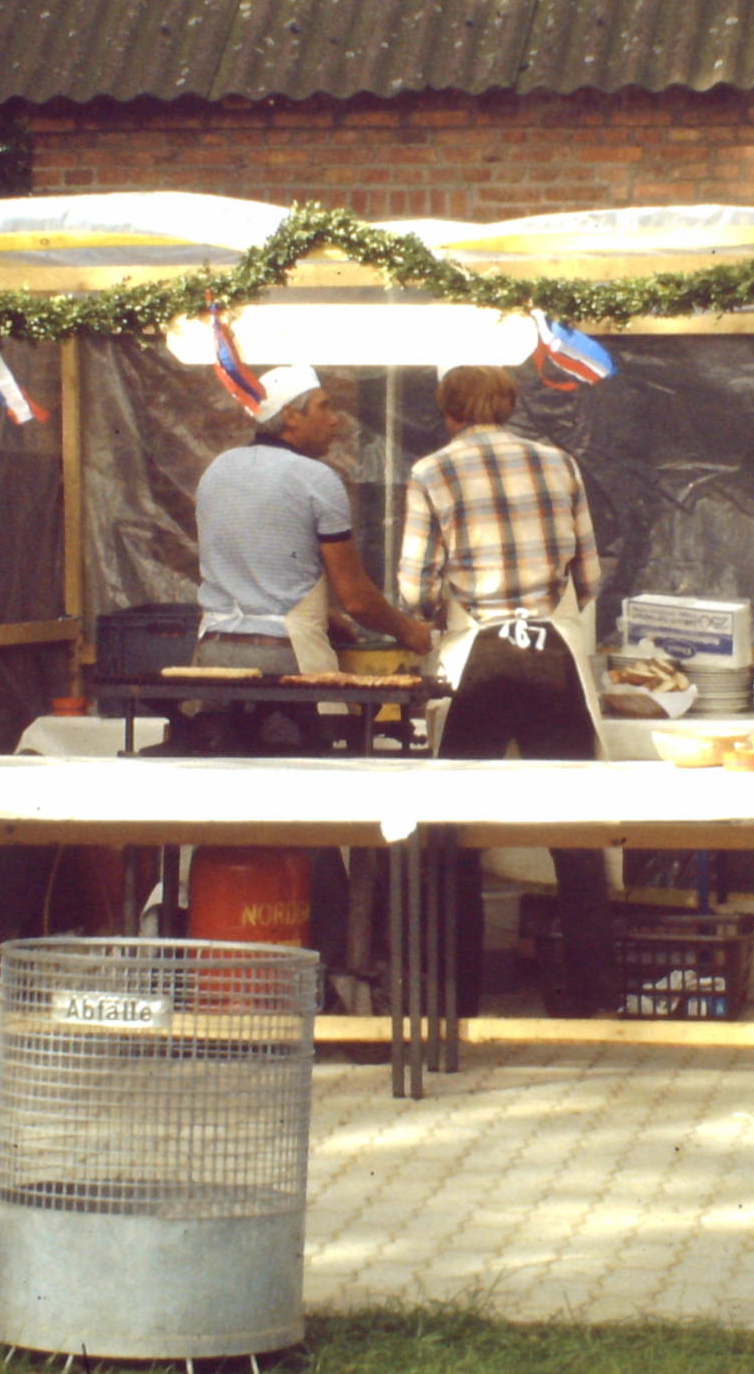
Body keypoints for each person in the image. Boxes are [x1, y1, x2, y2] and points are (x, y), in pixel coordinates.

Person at [182, 365, 432, 984]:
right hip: (284, 663)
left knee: (223, 815)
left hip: (214, 656)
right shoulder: (318, 479)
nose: (336, 418)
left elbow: (255, 568)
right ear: (290, 415)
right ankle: (335, 963)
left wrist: (319, 613)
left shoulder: (215, 472)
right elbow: (357, 595)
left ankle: (221, 948)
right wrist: (412, 632)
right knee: (317, 812)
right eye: (323, 407)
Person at [397, 365, 612, 1016]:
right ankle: (588, 995)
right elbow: (591, 574)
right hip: (550, 648)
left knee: (454, 829)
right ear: (510, 406)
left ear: (448, 411)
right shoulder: (558, 462)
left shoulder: (432, 472)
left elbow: (414, 590)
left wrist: (438, 607)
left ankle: (454, 995)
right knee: (573, 829)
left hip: (480, 653)